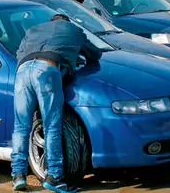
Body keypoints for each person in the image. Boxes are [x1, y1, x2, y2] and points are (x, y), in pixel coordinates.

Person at [11, 14, 103, 192]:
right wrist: (73, 58)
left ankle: (18, 176)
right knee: (51, 125)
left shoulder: (33, 30)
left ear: (50, 22)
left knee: (21, 127)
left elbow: (19, 53)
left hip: (22, 72)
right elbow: (94, 54)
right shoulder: (73, 30)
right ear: (65, 22)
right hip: (47, 70)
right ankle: (55, 178)